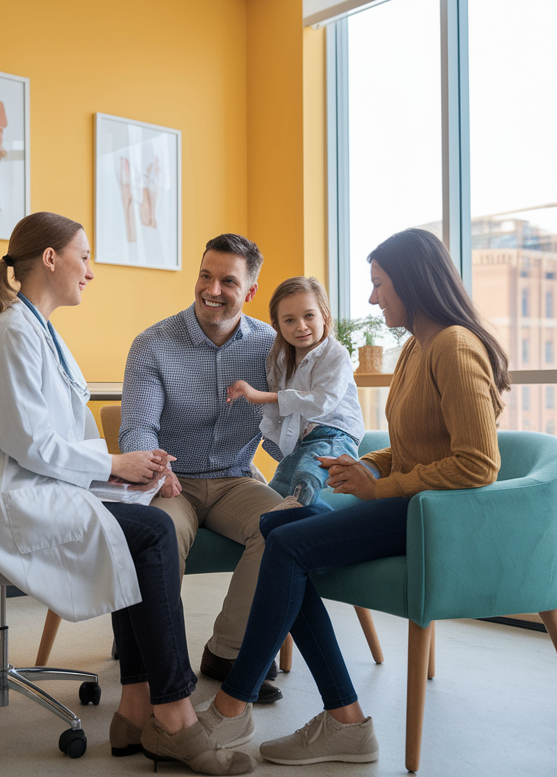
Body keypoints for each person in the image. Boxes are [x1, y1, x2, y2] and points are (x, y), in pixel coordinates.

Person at [0, 211, 252, 775]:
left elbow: (55, 438)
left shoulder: (37, 329)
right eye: (84, 257)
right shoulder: (12, 334)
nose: (91, 271)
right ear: (52, 259)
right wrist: (115, 462)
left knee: (146, 526)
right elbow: (32, 444)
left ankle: (135, 708)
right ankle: (175, 715)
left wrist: (124, 473)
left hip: (40, 485)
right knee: (154, 532)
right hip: (11, 502)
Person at [201, 227, 507, 766]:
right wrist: (363, 464)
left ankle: (234, 704)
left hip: (433, 518)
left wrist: (382, 486)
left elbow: (479, 464)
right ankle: (342, 721)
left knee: (286, 543)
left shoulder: (456, 346)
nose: (371, 299)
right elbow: (411, 446)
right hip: (407, 505)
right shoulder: (417, 347)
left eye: (380, 284)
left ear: (412, 283)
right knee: (277, 527)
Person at [119, 233, 287, 702]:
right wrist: (155, 469)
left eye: (228, 281)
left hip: (236, 478)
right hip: (172, 482)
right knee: (160, 535)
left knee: (282, 528)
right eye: (205, 276)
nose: (212, 289)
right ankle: (158, 661)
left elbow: (281, 427)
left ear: (250, 291)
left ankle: (227, 651)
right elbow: (136, 427)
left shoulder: (271, 347)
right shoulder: (153, 345)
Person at [226, 277, 364, 511]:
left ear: (325, 316)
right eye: (290, 320)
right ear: (277, 326)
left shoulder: (335, 354)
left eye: (309, 316)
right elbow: (277, 413)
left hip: (335, 436)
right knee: (280, 481)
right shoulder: (278, 360)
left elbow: (322, 402)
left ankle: (301, 505)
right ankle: (291, 513)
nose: (301, 326)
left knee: (308, 471)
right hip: (304, 441)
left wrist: (261, 396)